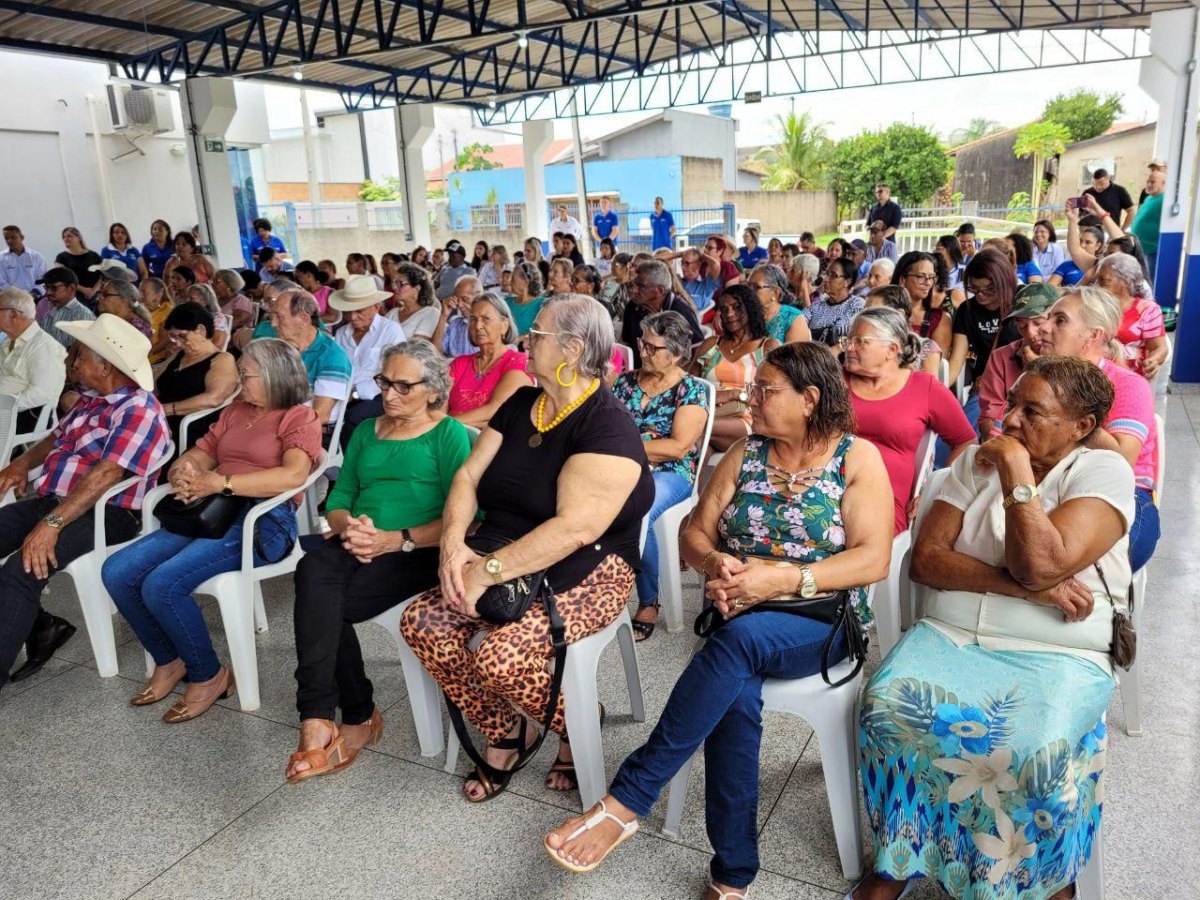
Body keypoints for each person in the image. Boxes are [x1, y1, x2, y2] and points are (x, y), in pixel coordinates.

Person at [544, 341, 892, 893]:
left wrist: (779, 579)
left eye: (765, 391)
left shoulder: (855, 458)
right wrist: (715, 563)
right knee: (734, 687)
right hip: (737, 611)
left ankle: (627, 799)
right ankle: (732, 874)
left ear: (809, 399)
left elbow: (873, 558)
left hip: (820, 619)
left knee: (735, 648)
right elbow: (693, 534)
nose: (748, 400)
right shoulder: (747, 454)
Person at [855, 355, 1134, 900]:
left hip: (1060, 646)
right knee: (886, 706)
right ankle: (899, 855)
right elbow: (927, 561)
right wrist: (1027, 588)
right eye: (1012, 405)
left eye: (1033, 412)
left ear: (1082, 426)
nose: (1009, 422)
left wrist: (1017, 475)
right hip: (955, 631)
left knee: (1034, 746)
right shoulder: (974, 463)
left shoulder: (1104, 472)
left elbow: (1040, 562)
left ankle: (1042, 882)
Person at [400, 293, 654, 801]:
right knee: (422, 624)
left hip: (591, 564)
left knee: (501, 655)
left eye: (536, 333)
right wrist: (452, 546)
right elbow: (468, 477)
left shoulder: (606, 426)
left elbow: (574, 531)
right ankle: (507, 731)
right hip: (503, 545)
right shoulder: (521, 404)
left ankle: (574, 721)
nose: (525, 341)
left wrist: (486, 572)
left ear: (572, 348)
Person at [102, 338, 321, 722]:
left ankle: (209, 675)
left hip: (263, 520)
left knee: (162, 584)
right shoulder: (237, 410)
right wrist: (183, 472)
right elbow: (200, 452)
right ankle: (170, 661)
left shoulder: (298, 417)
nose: (239, 381)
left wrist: (219, 483)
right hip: (210, 511)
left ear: (273, 376)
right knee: (117, 571)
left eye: (246, 375)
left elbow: (293, 476)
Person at [286, 340, 472, 780]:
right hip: (360, 540)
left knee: (327, 606)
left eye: (403, 386)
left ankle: (355, 713)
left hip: (418, 551)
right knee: (311, 569)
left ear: (433, 389)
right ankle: (317, 716)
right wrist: (349, 525)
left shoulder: (450, 435)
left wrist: (397, 539)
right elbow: (339, 496)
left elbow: (467, 519)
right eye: (384, 382)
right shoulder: (368, 431)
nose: (389, 394)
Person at [0, 314, 170, 685]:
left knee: (21, 569)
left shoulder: (137, 408)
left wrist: (52, 524)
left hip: (109, 511)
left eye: (80, 356)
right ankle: (43, 626)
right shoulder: (94, 401)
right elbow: (56, 437)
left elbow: (107, 474)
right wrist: (22, 463)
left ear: (104, 364)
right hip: (57, 500)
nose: (73, 362)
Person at [1038, 287, 1159, 572]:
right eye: (1048, 318)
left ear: (1094, 335)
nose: (1043, 327)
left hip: (1122, 495)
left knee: (1070, 566)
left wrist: (1066, 407)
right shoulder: (1039, 380)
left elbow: (1122, 460)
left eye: (1060, 320)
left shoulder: (1128, 385)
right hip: (1051, 485)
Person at [611, 311, 709, 641]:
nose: (644, 352)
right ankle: (597, 589)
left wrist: (626, 447)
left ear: (677, 353)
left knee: (639, 509)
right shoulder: (624, 383)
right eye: (643, 344)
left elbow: (678, 448)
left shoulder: (691, 390)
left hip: (671, 473)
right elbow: (603, 429)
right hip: (622, 468)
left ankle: (649, 599)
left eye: (653, 348)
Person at [844, 307, 976, 534]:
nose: (848, 347)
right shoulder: (835, 380)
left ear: (891, 349)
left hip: (881, 498)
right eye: (848, 339)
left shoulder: (924, 387)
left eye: (859, 341)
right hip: (826, 487)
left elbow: (966, 441)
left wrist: (934, 490)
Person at [692, 284, 781, 451]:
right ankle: (689, 478)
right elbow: (689, 384)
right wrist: (714, 397)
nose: (729, 314)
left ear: (750, 308)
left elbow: (776, 391)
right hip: (709, 411)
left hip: (749, 416)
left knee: (693, 427)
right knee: (702, 446)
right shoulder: (712, 344)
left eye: (736, 307)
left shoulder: (767, 346)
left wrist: (735, 395)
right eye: (724, 309)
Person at [328, 274, 408, 446]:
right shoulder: (342, 333)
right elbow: (339, 369)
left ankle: (352, 463)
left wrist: (355, 394)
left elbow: (394, 374)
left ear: (376, 307)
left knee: (354, 417)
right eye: (349, 312)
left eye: (359, 311)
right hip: (346, 394)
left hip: (383, 394)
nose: (353, 317)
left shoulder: (390, 330)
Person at [947, 248, 1020, 431]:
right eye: (974, 289)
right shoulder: (967, 310)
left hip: (1021, 383)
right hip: (986, 387)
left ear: (1004, 283)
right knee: (961, 429)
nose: (980, 295)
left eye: (989, 289)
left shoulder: (1022, 301)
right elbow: (957, 360)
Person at [976, 282, 1059, 438]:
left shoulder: (1071, 357)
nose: (1031, 333)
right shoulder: (1001, 357)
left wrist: (1038, 371)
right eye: (1021, 325)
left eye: (1039, 323)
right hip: (1009, 439)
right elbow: (989, 418)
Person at [155, 303, 240, 449]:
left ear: (201, 330)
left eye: (182, 336)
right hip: (160, 418)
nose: (179, 343)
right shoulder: (180, 355)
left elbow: (214, 398)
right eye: (173, 337)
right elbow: (155, 380)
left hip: (189, 426)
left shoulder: (221, 360)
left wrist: (166, 409)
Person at [448, 294, 533, 427]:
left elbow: (497, 410)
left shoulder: (518, 362)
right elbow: (438, 407)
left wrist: (443, 426)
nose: (478, 326)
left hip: (487, 442)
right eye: (473, 319)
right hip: (448, 438)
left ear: (504, 325)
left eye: (485, 319)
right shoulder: (459, 363)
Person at [0, 287, 67, 432]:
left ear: (13, 314)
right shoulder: (8, 340)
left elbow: (40, 394)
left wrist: (4, 407)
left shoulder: (44, 346)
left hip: (26, 414)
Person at [1095, 253, 1167, 378]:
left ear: (1126, 282)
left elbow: (1159, 347)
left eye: (1104, 281)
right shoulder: (1094, 305)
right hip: (1094, 377)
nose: (1097, 286)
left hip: (1129, 377)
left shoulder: (1147, 310)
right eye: (1097, 280)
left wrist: (1153, 360)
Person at [621, 260, 704, 367]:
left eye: (641, 286)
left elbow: (698, 349)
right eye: (633, 285)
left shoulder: (680, 311)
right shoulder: (632, 307)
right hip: (638, 371)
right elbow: (626, 343)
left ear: (660, 290)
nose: (634, 290)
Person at [864, 284, 941, 376]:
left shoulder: (926, 348)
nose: (866, 318)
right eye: (865, 312)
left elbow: (929, 388)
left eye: (875, 312)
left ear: (900, 314)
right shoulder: (862, 344)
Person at [892, 251, 951, 355]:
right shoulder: (886, 311)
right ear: (902, 279)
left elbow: (939, 363)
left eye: (931, 277)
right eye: (921, 276)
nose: (928, 282)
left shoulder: (939, 318)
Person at [805, 256, 865, 346]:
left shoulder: (857, 304)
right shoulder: (815, 307)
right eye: (826, 274)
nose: (825, 279)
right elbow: (800, 325)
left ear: (847, 282)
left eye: (833, 275)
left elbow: (856, 334)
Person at [748, 263, 810, 344]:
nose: (749, 291)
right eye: (748, 286)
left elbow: (796, 355)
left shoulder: (792, 317)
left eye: (757, 287)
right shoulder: (745, 314)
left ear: (776, 292)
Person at [36, 266, 95, 348]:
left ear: (71, 288)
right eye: (46, 288)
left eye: (53, 288)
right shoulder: (49, 315)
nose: (48, 292)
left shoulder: (84, 316)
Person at [432, 273, 484, 358]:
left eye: (464, 299)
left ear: (478, 298)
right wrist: (443, 316)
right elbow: (435, 353)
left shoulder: (487, 325)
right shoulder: (455, 324)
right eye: (457, 299)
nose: (459, 305)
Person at [386, 261, 440, 339]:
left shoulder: (430, 313)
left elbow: (416, 346)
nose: (394, 287)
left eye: (400, 284)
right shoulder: (392, 314)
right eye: (394, 283)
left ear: (417, 288)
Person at [1129, 168, 1166, 276]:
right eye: (1148, 181)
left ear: (1164, 183)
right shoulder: (1149, 198)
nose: (1149, 184)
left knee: (1149, 281)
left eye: (1153, 182)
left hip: (1152, 251)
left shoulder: (1164, 200)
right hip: (1141, 248)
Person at [55, 228, 102, 306]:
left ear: (79, 238)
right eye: (64, 237)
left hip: (95, 295)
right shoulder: (61, 257)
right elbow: (62, 278)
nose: (65, 239)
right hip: (74, 296)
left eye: (69, 236)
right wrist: (84, 290)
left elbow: (102, 275)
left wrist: (93, 291)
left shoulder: (94, 255)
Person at [1049, 223, 1103, 287]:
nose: (1082, 245)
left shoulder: (1101, 267)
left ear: (1098, 246)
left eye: (1088, 242)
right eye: (1080, 241)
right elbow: (1049, 288)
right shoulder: (1066, 265)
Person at [0, 225, 47, 295]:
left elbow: (42, 279)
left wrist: (33, 295)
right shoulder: (1, 257)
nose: (9, 241)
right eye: (6, 238)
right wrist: (16, 296)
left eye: (13, 237)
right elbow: (1, 282)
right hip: (11, 299)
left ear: (22, 237)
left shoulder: (36, 257)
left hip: (35, 298)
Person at [678, 245, 723, 313]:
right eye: (682, 263)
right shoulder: (677, 281)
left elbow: (716, 266)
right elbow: (656, 262)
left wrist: (702, 255)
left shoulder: (706, 286)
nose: (683, 267)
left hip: (692, 321)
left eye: (687, 263)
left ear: (698, 265)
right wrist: (679, 254)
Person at [186, 283, 230, 351]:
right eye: (187, 297)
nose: (187, 301)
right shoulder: (189, 315)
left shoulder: (217, 319)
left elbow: (217, 344)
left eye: (191, 298)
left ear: (204, 301)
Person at [141, 277, 173, 365]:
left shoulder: (166, 311)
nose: (140, 295)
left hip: (154, 360)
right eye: (139, 291)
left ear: (158, 294)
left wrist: (141, 356)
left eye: (144, 292)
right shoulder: (140, 309)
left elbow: (165, 341)